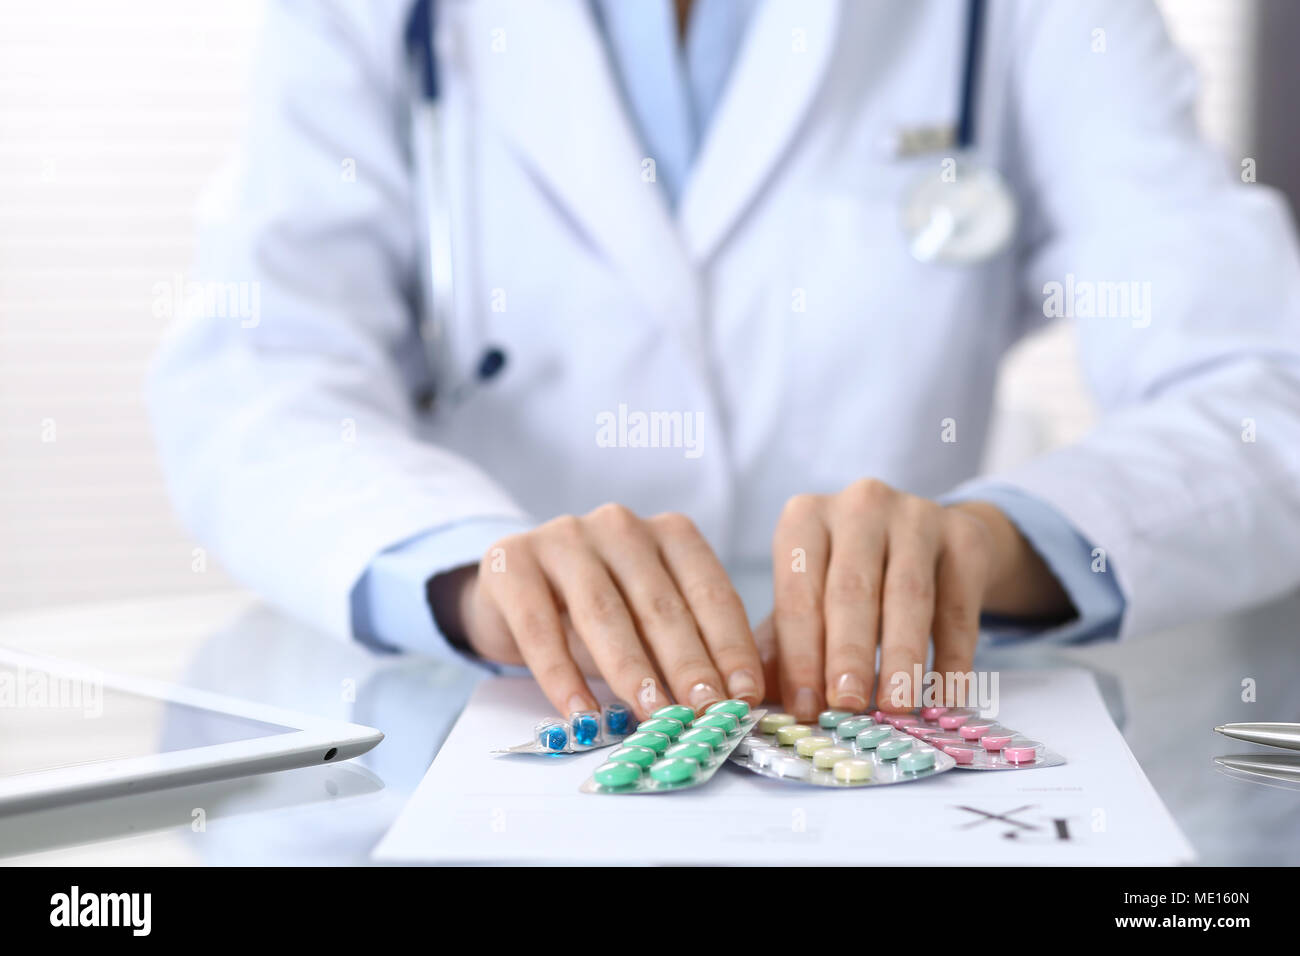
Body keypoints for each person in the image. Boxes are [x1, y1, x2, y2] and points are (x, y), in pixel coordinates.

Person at [148, 0, 1300, 725]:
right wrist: (460, 570)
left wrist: (996, 542)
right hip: (488, 712)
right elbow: (259, 369)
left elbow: (1262, 384)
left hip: (876, 712)